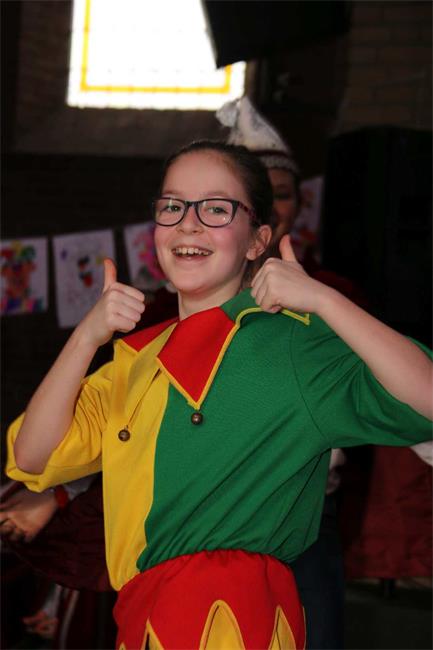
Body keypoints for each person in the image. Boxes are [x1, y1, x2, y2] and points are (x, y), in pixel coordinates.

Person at [5, 140, 432, 650]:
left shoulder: (291, 345)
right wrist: (85, 338)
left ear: (257, 240)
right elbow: (33, 456)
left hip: (235, 623)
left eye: (216, 208)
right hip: (142, 620)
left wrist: (325, 300)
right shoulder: (133, 361)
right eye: (172, 206)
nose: (188, 223)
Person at [217, 96, 349, 649]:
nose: (273, 207)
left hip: (306, 509)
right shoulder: (177, 304)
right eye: (257, 195)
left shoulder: (336, 294)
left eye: (284, 193)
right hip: (211, 515)